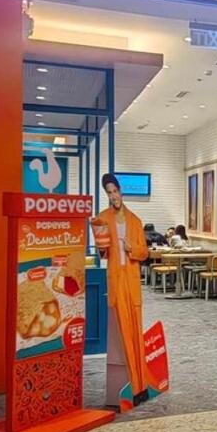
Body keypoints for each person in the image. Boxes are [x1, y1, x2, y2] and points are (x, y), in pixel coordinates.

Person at [92, 173, 149, 408]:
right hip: (116, 282)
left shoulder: (135, 221)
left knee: (136, 336)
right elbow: (103, 253)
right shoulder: (103, 218)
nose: (113, 196)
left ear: (121, 191)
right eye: (109, 193)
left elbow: (144, 253)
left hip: (131, 283)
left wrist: (131, 247)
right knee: (124, 336)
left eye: (115, 191)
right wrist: (100, 244)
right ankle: (135, 387)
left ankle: (142, 386)